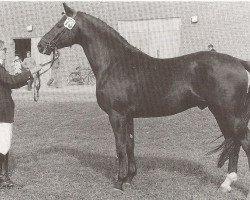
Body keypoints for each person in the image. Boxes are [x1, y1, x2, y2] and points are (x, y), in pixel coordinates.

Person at [0, 40, 41, 189]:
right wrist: (30, 72)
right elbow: (10, 80)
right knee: (4, 143)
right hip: (2, 111)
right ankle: (3, 178)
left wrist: (28, 77)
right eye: (3, 49)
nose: (5, 52)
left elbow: (10, 82)